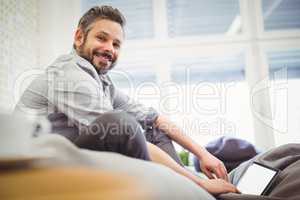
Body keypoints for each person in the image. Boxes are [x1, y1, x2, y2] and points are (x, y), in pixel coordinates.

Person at [14, 5, 238, 195]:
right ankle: (195, 187)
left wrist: (203, 154)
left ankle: (190, 188)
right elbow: (121, 129)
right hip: (37, 167)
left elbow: (155, 118)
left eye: (116, 44)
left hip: (68, 156)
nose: (109, 49)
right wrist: (199, 182)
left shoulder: (102, 82)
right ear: (79, 37)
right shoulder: (68, 74)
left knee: (151, 126)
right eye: (101, 38)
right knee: (120, 123)